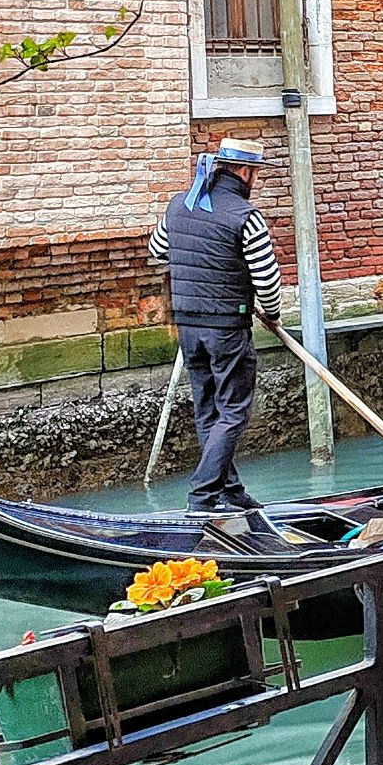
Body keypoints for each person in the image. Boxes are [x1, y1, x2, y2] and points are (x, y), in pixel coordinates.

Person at [148, 137, 285, 513]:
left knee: (208, 408)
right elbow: (267, 281)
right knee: (233, 410)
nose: (254, 179)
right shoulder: (246, 216)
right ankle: (203, 498)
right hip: (226, 326)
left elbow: (158, 250)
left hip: (188, 325)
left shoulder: (178, 205)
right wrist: (272, 315)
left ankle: (230, 491)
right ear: (244, 171)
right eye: (255, 172)